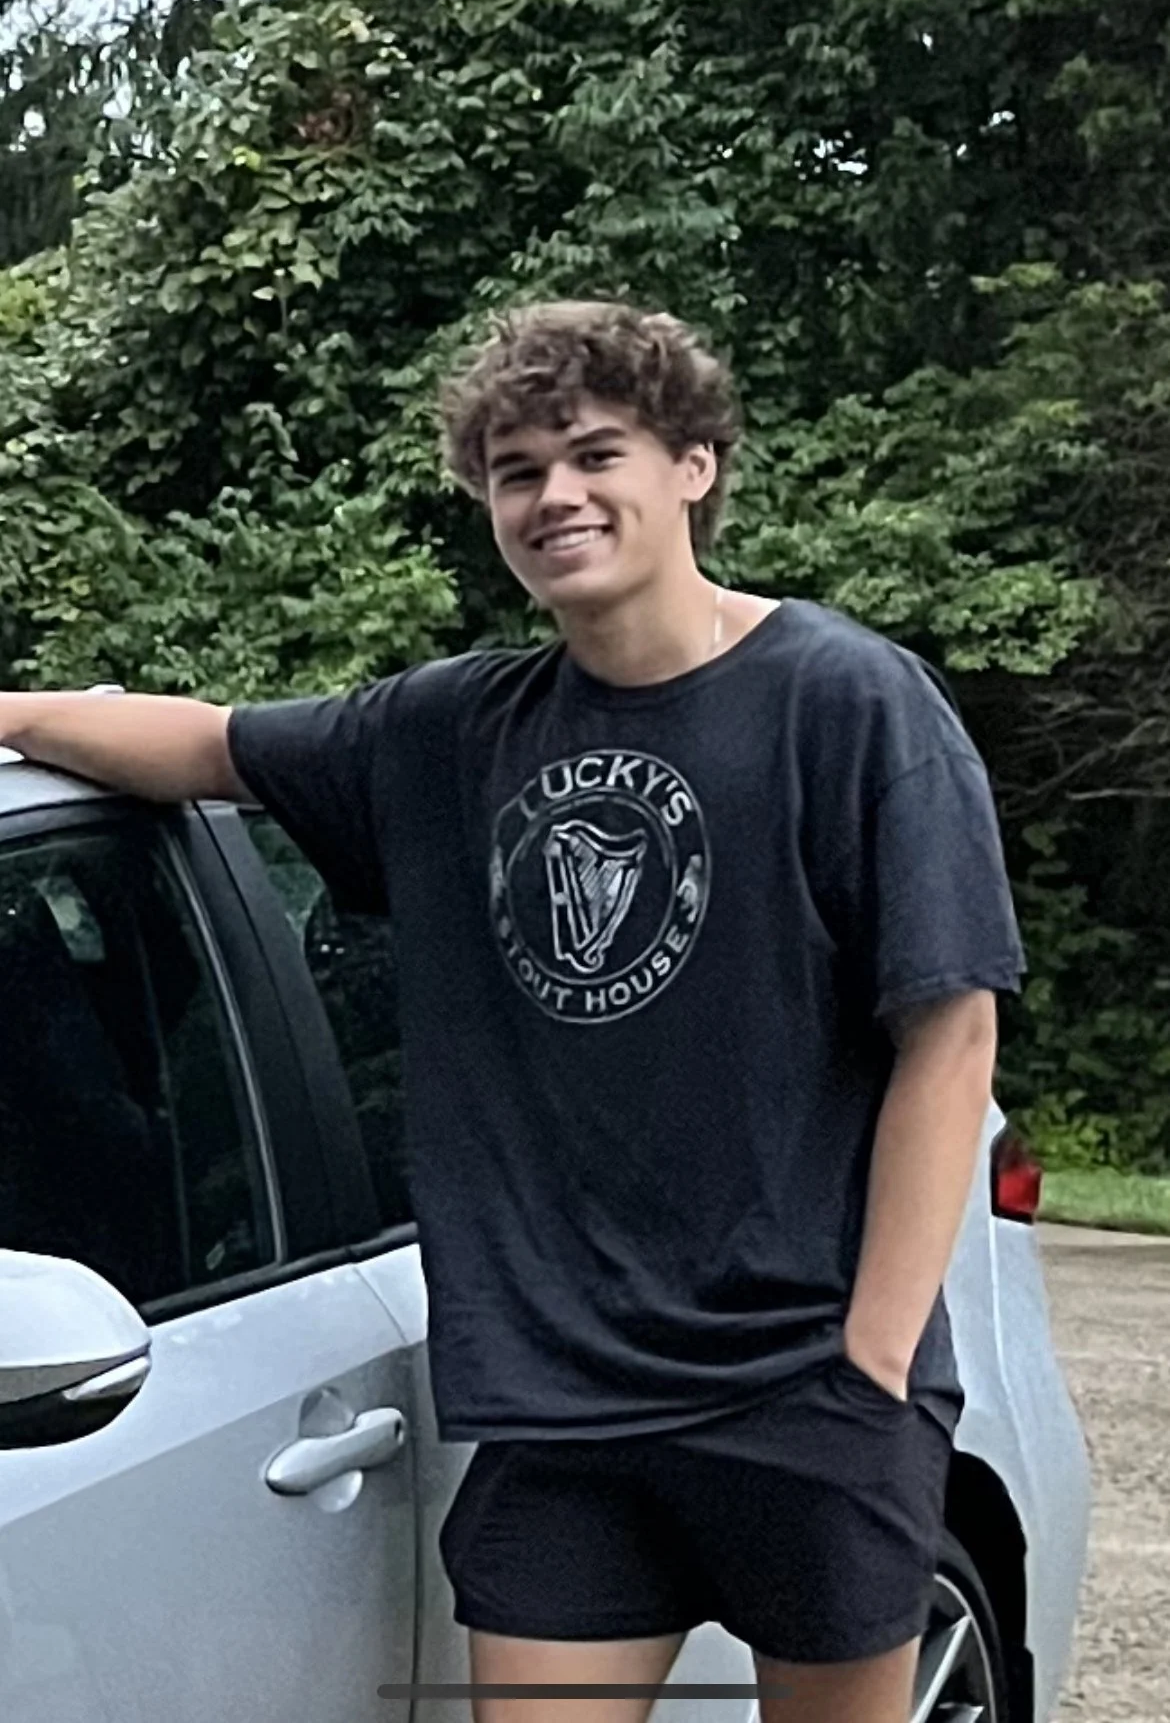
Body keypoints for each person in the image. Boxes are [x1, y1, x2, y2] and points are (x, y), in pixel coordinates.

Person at [0, 299, 1027, 1723]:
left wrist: (873, 1363)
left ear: (695, 466)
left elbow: (949, 1036)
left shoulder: (847, 701)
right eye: (516, 471)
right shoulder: (454, 730)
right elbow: (210, 745)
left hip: (803, 1389)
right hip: (562, 1409)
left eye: (595, 455)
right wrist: (11, 713)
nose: (554, 496)